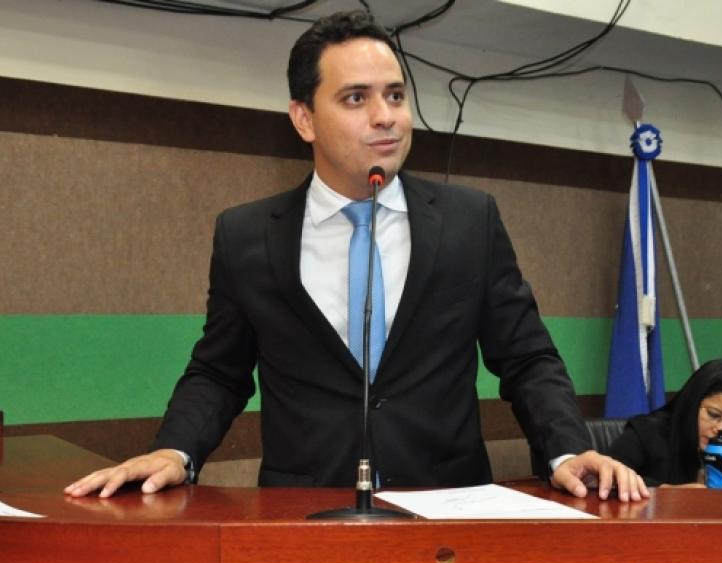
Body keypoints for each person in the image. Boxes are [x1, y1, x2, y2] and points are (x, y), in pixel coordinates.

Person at [65, 10, 647, 502]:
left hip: (446, 509)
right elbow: (220, 371)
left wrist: (567, 449)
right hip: (304, 512)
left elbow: (526, 357)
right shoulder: (247, 236)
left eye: (395, 95)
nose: (385, 115)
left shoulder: (470, 222)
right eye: (355, 98)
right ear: (304, 119)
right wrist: (175, 450)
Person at [608, 359, 722, 488]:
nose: (721, 429)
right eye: (713, 415)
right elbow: (608, 476)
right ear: (692, 404)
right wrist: (667, 491)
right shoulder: (647, 432)